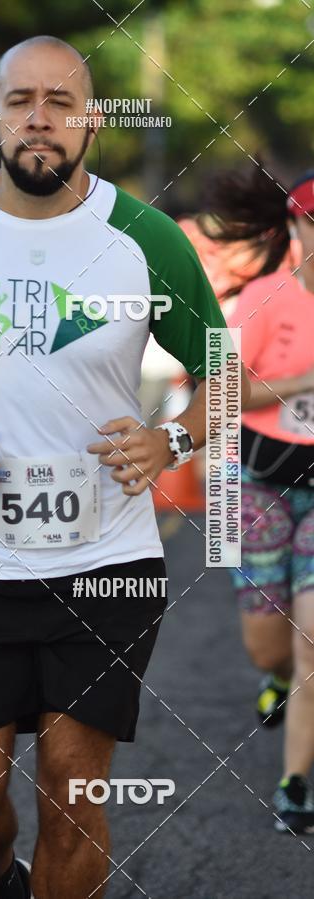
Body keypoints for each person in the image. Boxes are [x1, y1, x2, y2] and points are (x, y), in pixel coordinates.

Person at [0, 36, 249, 899]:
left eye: (62, 103)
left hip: (107, 562)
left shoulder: (144, 237)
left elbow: (225, 370)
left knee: (73, 793)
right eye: (22, 101)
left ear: (92, 121)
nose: (42, 118)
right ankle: (2, 880)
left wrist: (169, 441)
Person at [204, 163, 314, 833]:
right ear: (296, 224)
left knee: (313, 645)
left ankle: (296, 781)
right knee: (269, 649)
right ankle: (274, 679)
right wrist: (302, 381)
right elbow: (219, 393)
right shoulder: (262, 297)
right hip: (260, 483)